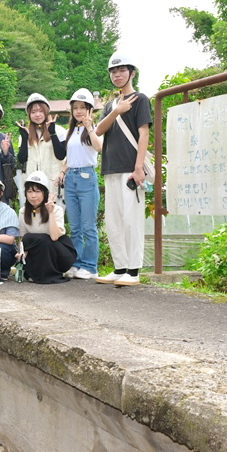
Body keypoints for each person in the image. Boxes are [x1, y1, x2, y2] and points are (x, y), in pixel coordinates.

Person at [94, 51, 152, 286]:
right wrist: (116, 111)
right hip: (110, 168)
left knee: (132, 220)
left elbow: (144, 133)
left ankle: (134, 271)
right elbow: (98, 131)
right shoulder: (111, 105)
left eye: (121, 70)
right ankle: (119, 268)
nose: (117, 75)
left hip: (130, 169)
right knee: (113, 220)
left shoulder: (141, 100)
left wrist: (139, 168)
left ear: (132, 73)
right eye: (113, 71)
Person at [57, 88, 103, 280]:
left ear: (90, 109)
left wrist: (90, 127)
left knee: (88, 227)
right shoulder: (72, 130)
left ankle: (91, 266)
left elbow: (99, 147)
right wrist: (62, 171)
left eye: (83, 107)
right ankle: (75, 264)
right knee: (74, 227)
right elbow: (71, 156)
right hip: (71, 179)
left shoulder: (95, 128)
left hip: (87, 177)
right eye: (75, 108)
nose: (78, 111)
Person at [17, 171, 76, 284]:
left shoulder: (56, 209)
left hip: (60, 253)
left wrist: (50, 213)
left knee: (43, 239)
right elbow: (23, 239)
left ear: (45, 193)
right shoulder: (23, 212)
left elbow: (54, 237)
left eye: (37, 191)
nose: (33, 196)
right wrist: (21, 253)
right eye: (29, 191)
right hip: (39, 253)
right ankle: (37, 274)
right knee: (29, 238)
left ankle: (50, 275)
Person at [16, 93, 67, 196]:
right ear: (29, 114)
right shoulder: (25, 134)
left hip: (52, 184)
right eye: (33, 112)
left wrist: (53, 134)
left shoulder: (59, 131)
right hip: (32, 186)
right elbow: (22, 159)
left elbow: (61, 156)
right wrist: (25, 139)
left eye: (40, 111)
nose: (37, 115)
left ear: (46, 112)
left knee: (53, 211)